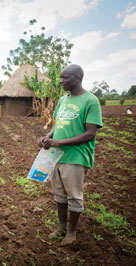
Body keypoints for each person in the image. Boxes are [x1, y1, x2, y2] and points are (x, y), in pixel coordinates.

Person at [38, 64, 102, 246]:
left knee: (74, 196)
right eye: (60, 77)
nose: (61, 81)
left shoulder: (90, 101)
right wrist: (47, 138)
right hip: (57, 156)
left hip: (76, 157)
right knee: (59, 195)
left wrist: (59, 142)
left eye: (65, 78)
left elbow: (90, 133)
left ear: (77, 78)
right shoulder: (63, 100)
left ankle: (71, 233)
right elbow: (57, 125)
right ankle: (60, 227)